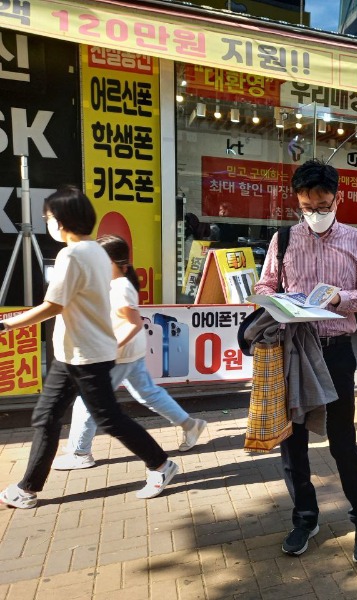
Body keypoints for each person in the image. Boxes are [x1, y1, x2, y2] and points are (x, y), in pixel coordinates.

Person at [0, 186, 178, 509]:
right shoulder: (96, 251)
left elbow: (53, 305)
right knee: (46, 415)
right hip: (72, 352)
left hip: (86, 355)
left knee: (108, 419)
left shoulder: (72, 255)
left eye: (49, 218)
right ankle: (27, 489)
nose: (48, 223)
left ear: (63, 220)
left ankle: (162, 465)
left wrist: (7, 324)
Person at [253, 159, 357, 564]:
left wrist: (341, 298)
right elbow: (265, 284)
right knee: (294, 444)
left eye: (323, 206)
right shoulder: (284, 240)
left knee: (344, 441)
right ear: (298, 202)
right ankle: (305, 518)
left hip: (336, 352)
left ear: (337, 199)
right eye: (307, 207)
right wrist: (277, 302)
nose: (315, 214)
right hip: (295, 349)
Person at [51, 235, 208, 471]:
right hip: (128, 353)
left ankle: (80, 452)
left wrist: (109, 349)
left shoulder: (120, 286)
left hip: (118, 355)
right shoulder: (114, 282)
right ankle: (190, 425)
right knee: (149, 394)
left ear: (114, 262)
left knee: (88, 402)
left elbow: (133, 324)